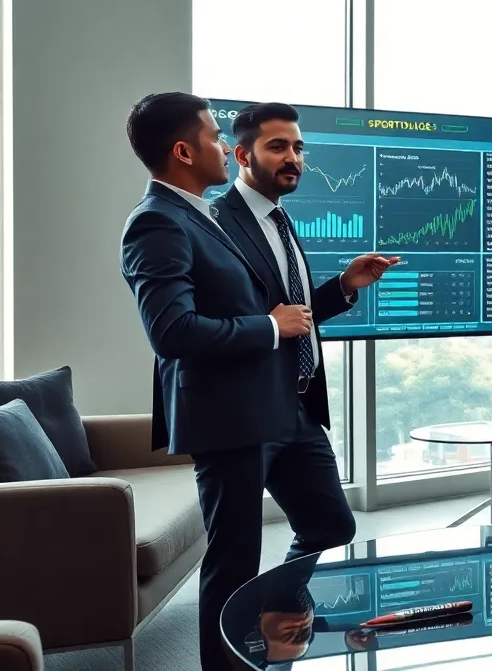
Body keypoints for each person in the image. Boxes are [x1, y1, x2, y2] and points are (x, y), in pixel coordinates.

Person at [118, 93, 384, 671]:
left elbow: (271, 308)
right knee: (234, 560)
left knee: (330, 525)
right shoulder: (157, 223)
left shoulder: (201, 216)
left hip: (287, 409)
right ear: (186, 150)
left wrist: (338, 290)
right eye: (214, 136)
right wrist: (268, 326)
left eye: (299, 146)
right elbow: (174, 332)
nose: (218, 144)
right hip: (233, 417)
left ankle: (268, 628)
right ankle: (230, 662)